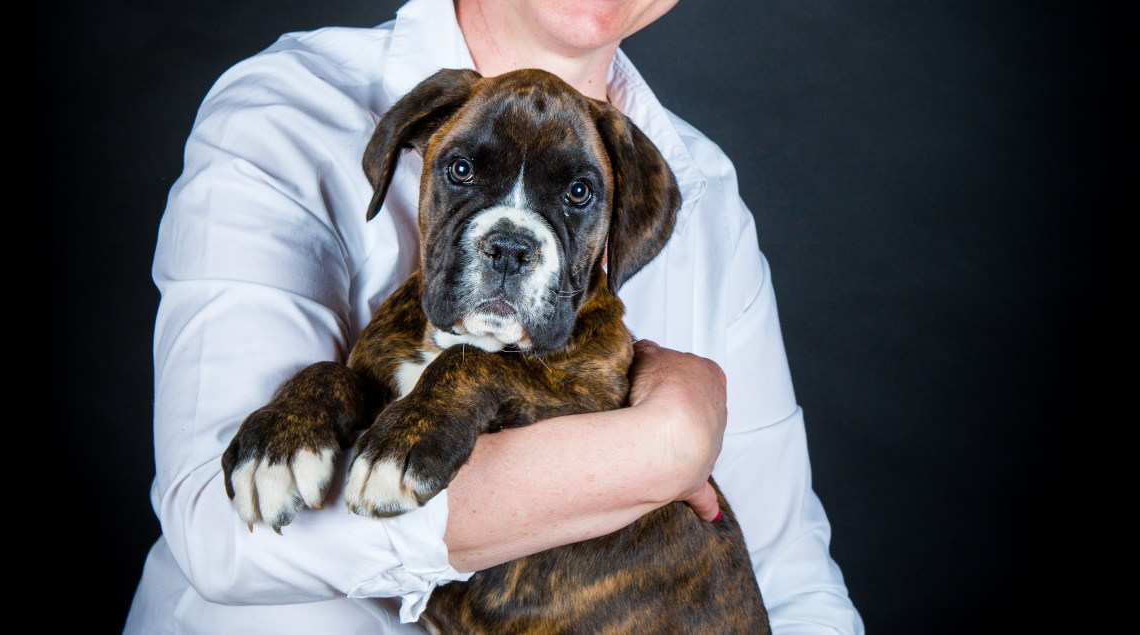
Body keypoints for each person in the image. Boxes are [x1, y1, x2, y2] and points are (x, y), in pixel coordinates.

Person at [123, 0, 864, 632]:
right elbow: (224, 531)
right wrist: (659, 448)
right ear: (409, 153)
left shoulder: (703, 191)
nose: (511, 242)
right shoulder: (285, 108)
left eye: (576, 197)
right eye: (463, 170)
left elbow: (791, 578)